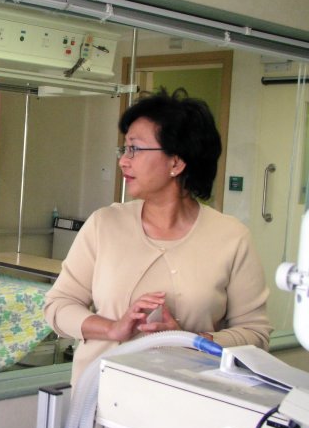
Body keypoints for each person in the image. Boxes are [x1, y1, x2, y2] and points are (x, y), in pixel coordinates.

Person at [44, 88, 272, 388]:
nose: (124, 161)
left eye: (134, 150)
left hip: (187, 401)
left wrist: (190, 339)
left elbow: (255, 335)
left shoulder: (231, 238)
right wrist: (113, 329)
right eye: (123, 150)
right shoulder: (105, 225)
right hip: (100, 400)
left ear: (176, 163)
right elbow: (57, 306)